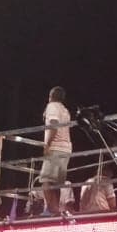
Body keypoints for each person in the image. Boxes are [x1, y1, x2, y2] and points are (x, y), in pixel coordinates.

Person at [40, 85, 73, 216]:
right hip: (66, 148)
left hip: (56, 146)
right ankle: (56, 209)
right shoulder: (65, 110)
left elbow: (53, 124)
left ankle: (51, 209)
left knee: (45, 180)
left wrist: (47, 144)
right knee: (57, 182)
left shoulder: (52, 106)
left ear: (51, 96)